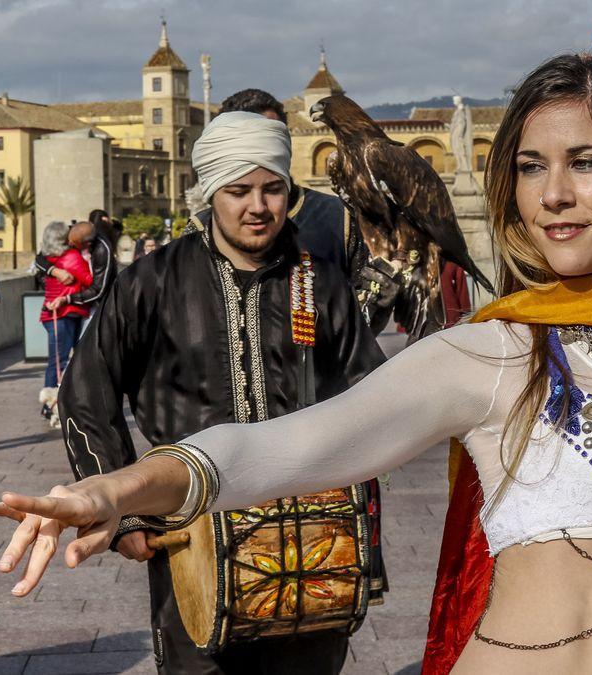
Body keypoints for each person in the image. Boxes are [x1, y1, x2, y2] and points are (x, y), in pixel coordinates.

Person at [0, 20, 592, 673]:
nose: (553, 193)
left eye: (587, 161)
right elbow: (281, 447)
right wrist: (115, 488)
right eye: (531, 167)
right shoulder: (500, 353)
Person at [49, 112, 387, 673]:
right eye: (239, 191)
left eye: (273, 188)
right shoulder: (152, 280)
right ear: (210, 193)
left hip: (313, 540)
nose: (258, 206)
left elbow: (373, 392)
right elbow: (85, 394)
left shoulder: (321, 280)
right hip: (191, 536)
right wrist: (126, 513)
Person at [215, 88, 401, 333]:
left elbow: (360, 328)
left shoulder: (339, 218)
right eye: (253, 140)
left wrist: (378, 304)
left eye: (274, 137)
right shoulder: (201, 231)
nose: (265, 151)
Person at [33, 209, 118, 323]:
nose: (69, 244)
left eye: (73, 244)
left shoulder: (101, 251)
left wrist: (68, 299)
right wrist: (54, 271)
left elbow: (98, 290)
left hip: (98, 304)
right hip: (70, 304)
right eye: (68, 241)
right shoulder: (70, 232)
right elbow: (40, 258)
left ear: (86, 244)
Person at [39, 221, 93, 392]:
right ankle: (52, 401)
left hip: (51, 314)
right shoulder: (71, 257)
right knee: (60, 362)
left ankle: (51, 399)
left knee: (56, 361)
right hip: (65, 313)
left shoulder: (48, 258)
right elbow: (91, 282)